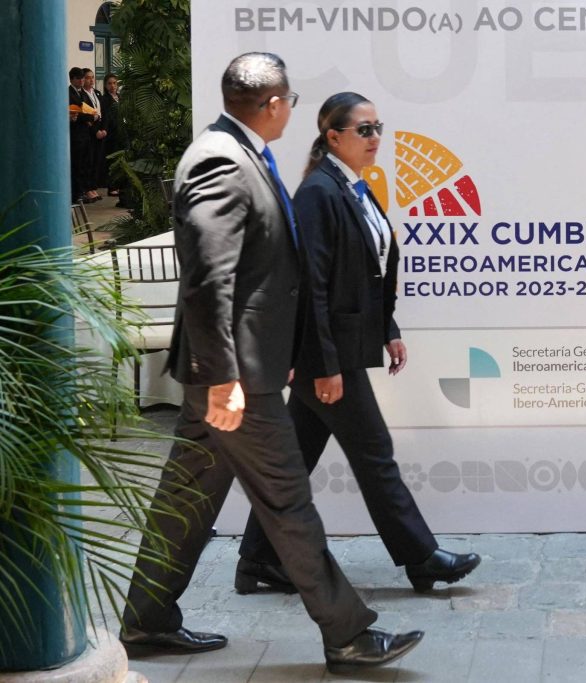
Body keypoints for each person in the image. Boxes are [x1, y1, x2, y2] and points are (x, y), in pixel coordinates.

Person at [118, 54, 422, 672]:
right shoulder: (219, 161)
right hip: (236, 378)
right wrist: (225, 377)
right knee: (288, 503)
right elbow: (208, 279)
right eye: (291, 102)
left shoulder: (241, 152)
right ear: (276, 104)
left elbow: (260, 275)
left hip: (240, 369)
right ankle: (347, 634)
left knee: (187, 496)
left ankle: (146, 618)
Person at [235, 92, 481, 596]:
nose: (375, 138)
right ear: (333, 137)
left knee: (295, 462)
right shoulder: (318, 193)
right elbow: (311, 286)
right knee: (375, 454)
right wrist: (324, 366)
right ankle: (421, 558)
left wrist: (387, 328)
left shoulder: (351, 187)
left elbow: (368, 271)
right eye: (364, 130)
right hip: (328, 356)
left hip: (337, 349)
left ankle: (258, 559)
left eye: (378, 128)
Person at [67, 67, 96, 203]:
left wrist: (91, 116)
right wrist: (89, 117)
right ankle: (76, 193)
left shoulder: (83, 93)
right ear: (72, 79)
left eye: (82, 78)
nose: (81, 81)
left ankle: (83, 190)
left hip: (85, 134)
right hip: (75, 135)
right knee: (77, 165)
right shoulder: (68, 93)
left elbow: (89, 109)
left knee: (85, 164)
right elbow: (78, 114)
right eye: (78, 78)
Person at [81, 68, 107, 199]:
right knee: (89, 161)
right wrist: (95, 131)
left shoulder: (97, 93)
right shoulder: (82, 94)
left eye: (92, 77)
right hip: (90, 132)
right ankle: (87, 188)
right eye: (88, 77)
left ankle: (93, 187)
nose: (91, 80)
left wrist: (104, 129)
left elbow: (103, 112)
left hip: (100, 130)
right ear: (83, 79)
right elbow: (85, 117)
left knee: (97, 161)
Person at [100, 73, 122, 196]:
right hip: (111, 133)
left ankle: (120, 185)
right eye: (109, 83)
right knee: (112, 161)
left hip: (121, 132)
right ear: (105, 85)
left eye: (114, 83)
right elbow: (106, 117)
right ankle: (112, 186)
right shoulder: (104, 99)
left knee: (121, 160)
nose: (112, 86)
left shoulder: (120, 97)